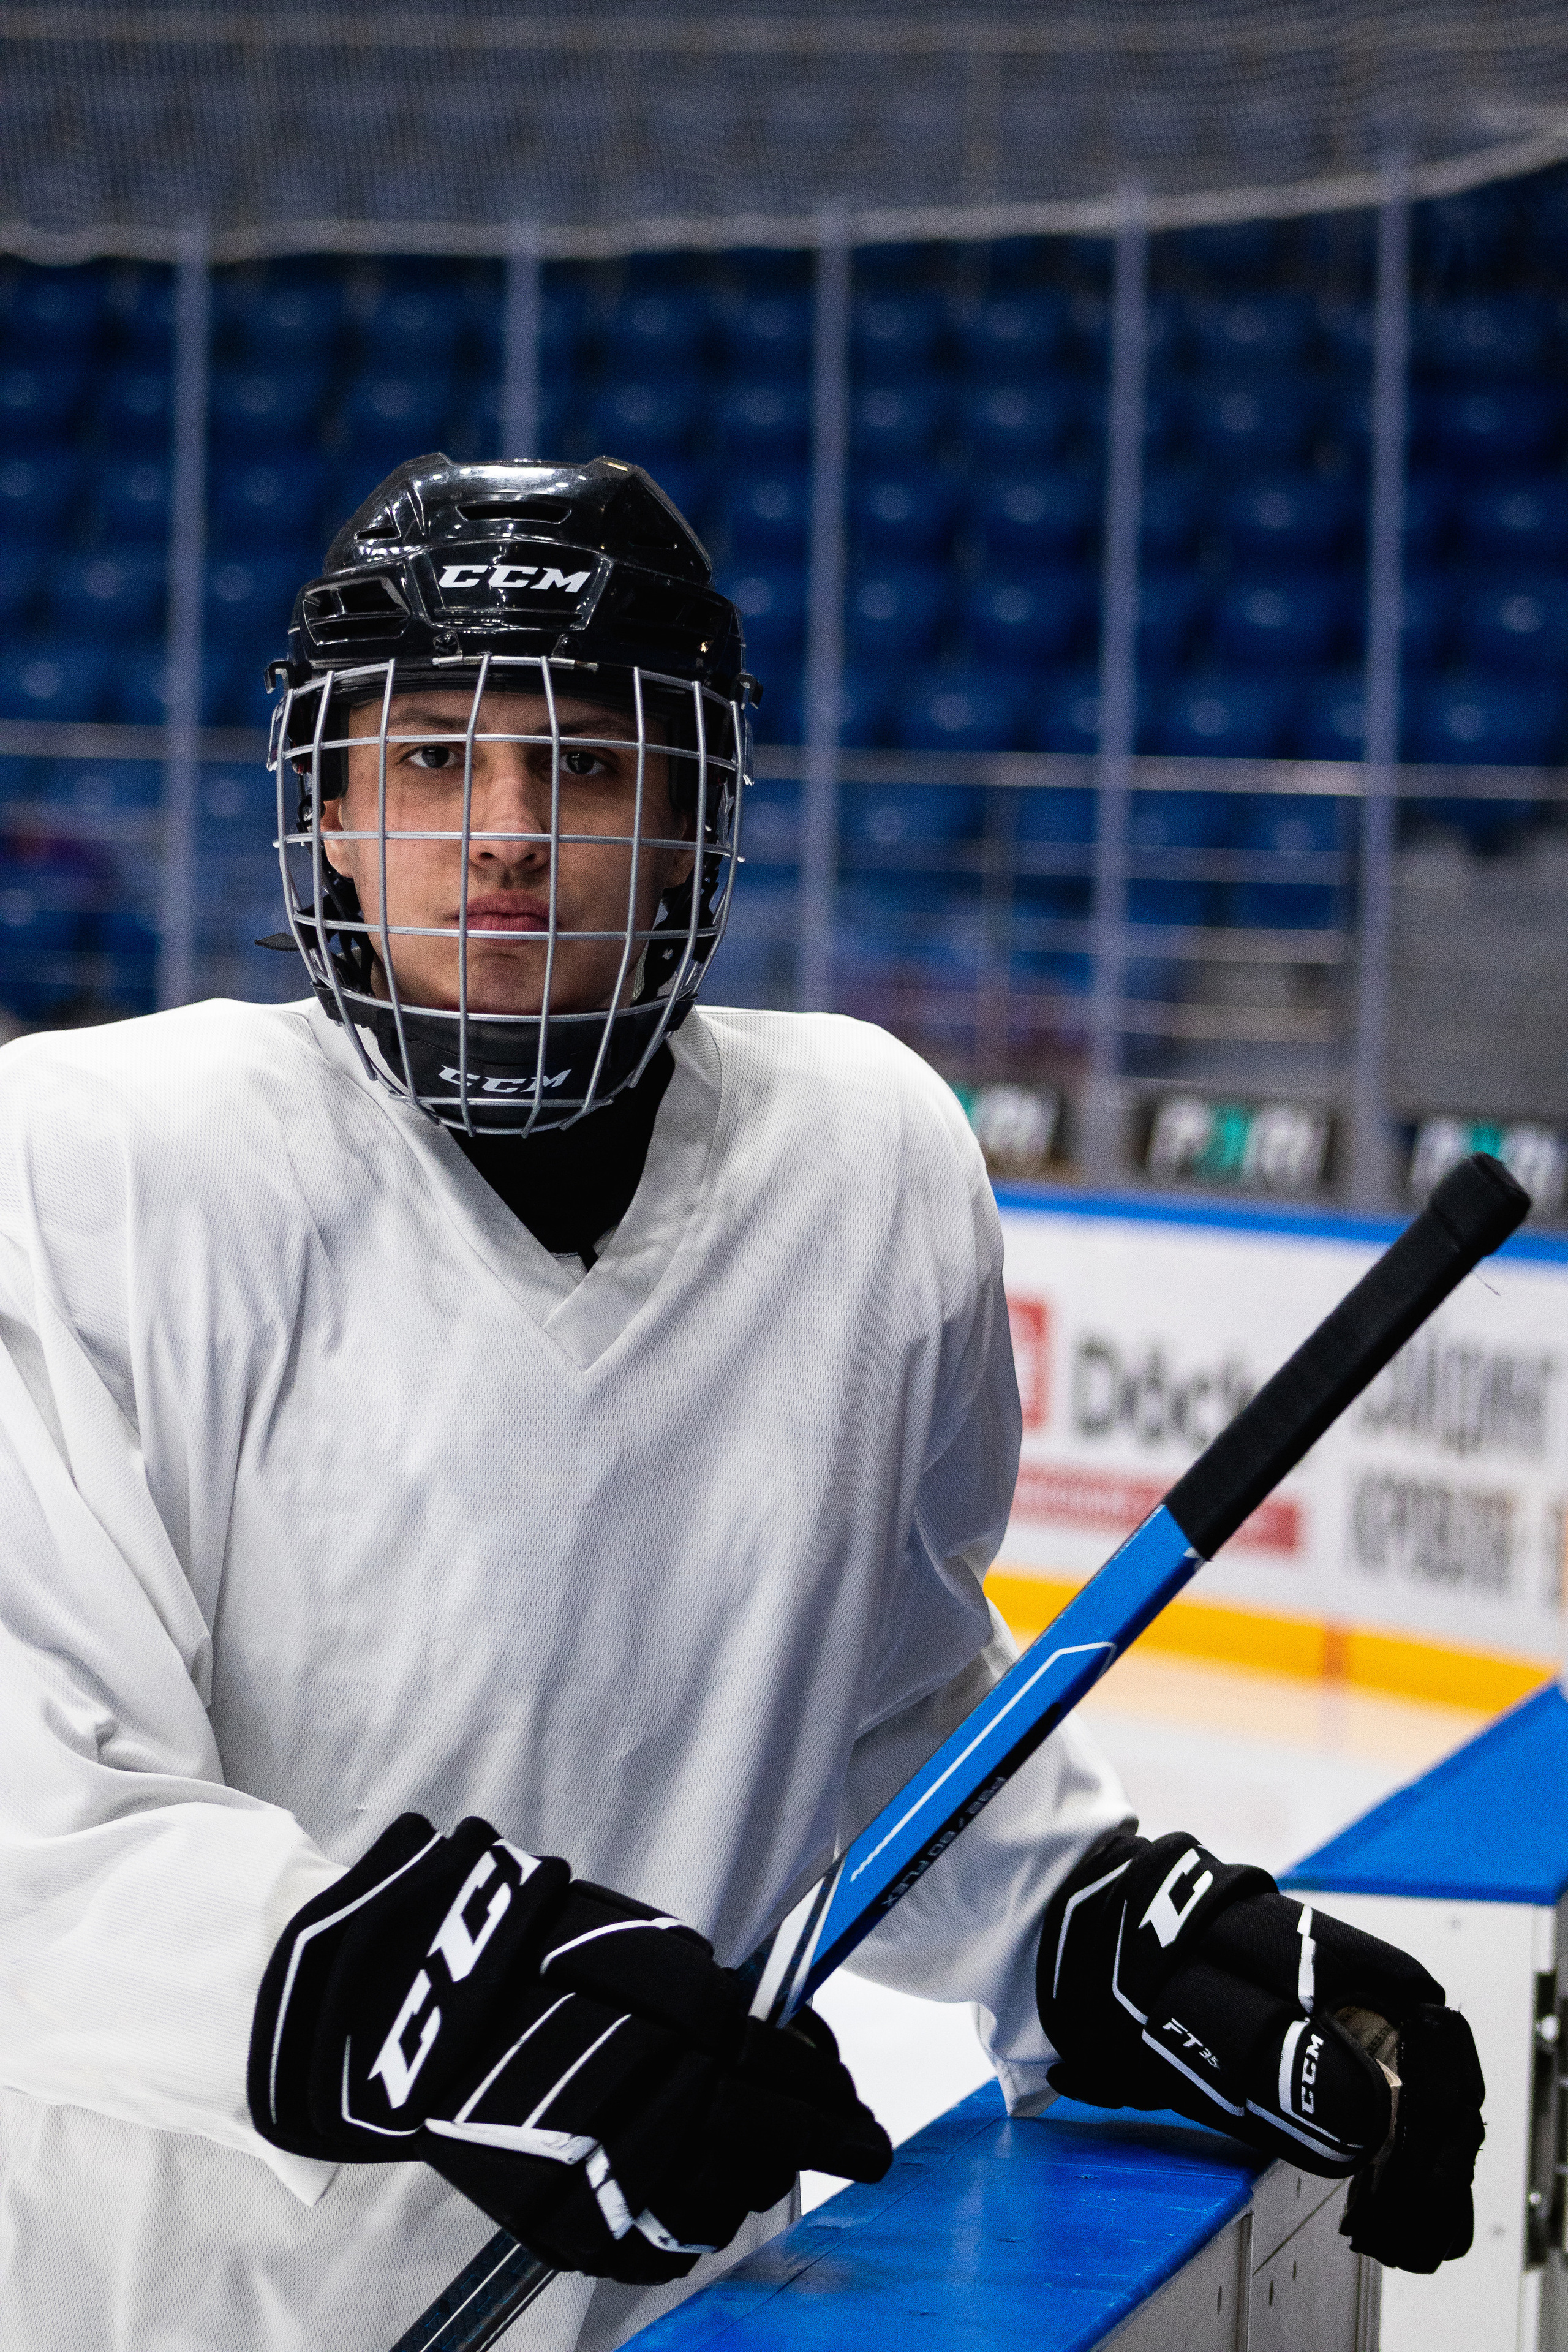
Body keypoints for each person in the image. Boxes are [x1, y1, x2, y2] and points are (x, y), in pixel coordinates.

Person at [0, 455, 1482, 2352]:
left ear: (695, 817)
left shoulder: (868, 1166)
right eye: (436, 759)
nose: (505, 836)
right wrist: (421, 2003)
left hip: (690, 2315)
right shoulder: (101, 1169)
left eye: (586, 765)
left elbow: (874, 1704)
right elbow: (40, 1819)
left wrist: (1084, 1926)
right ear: (336, 816)